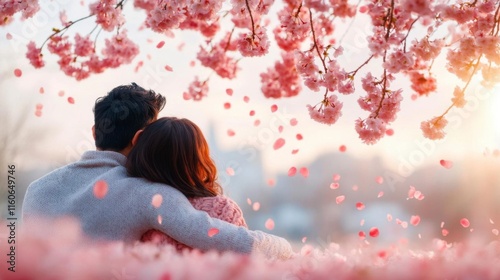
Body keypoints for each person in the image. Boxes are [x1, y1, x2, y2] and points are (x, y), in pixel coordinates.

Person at [22, 83, 293, 259]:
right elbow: (224, 239)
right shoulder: (148, 195)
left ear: (94, 132)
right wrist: (284, 248)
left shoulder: (36, 190)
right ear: (142, 139)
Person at [126, 117, 248, 251]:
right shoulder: (225, 210)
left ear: (144, 156)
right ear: (199, 159)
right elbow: (245, 262)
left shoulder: (133, 205)